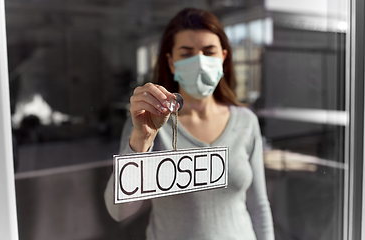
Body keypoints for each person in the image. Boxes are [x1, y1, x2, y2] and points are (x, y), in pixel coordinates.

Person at [105, 8, 275, 240]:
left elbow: (259, 206)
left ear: (223, 58)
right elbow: (119, 211)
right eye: (186, 54)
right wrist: (142, 140)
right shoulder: (149, 124)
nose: (200, 62)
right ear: (171, 62)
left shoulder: (246, 121)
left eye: (208, 51)